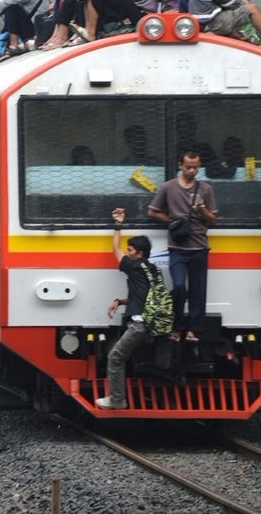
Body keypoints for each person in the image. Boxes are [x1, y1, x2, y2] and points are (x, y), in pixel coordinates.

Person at [148, 151, 218, 342]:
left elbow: (213, 218)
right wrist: (172, 221)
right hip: (177, 247)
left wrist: (201, 208)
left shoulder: (205, 189)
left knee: (198, 290)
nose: (192, 170)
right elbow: (152, 211)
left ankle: (194, 330)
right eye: (188, 166)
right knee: (178, 286)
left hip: (200, 247)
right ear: (180, 165)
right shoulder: (168, 187)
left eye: (195, 167)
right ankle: (176, 326)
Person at [96, 208, 156, 410]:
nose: (127, 253)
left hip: (139, 324)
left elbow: (115, 249)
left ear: (138, 254)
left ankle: (116, 400)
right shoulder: (152, 270)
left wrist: (118, 225)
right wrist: (120, 301)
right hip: (153, 323)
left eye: (130, 250)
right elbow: (140, 296)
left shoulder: (133, 266)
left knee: (115, 356)